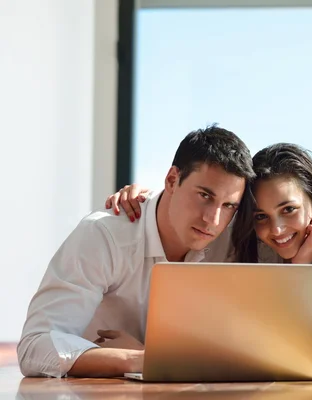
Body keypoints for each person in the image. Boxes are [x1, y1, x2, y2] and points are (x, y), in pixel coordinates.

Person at [107, 143, 312, 373]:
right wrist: (142, 199)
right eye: (261, 216)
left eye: (289, 210)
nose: (277, 230)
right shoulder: (254, 244)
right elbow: (240, 347)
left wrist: (300, 271)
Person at [17, 126, 255, 378]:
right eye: (204, 195)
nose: (213, 219)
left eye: (229, 205)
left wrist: (149, 355)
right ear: (172, 180)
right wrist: (139, 359)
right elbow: (34, 348)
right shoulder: (104, 235)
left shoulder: (230, 244)